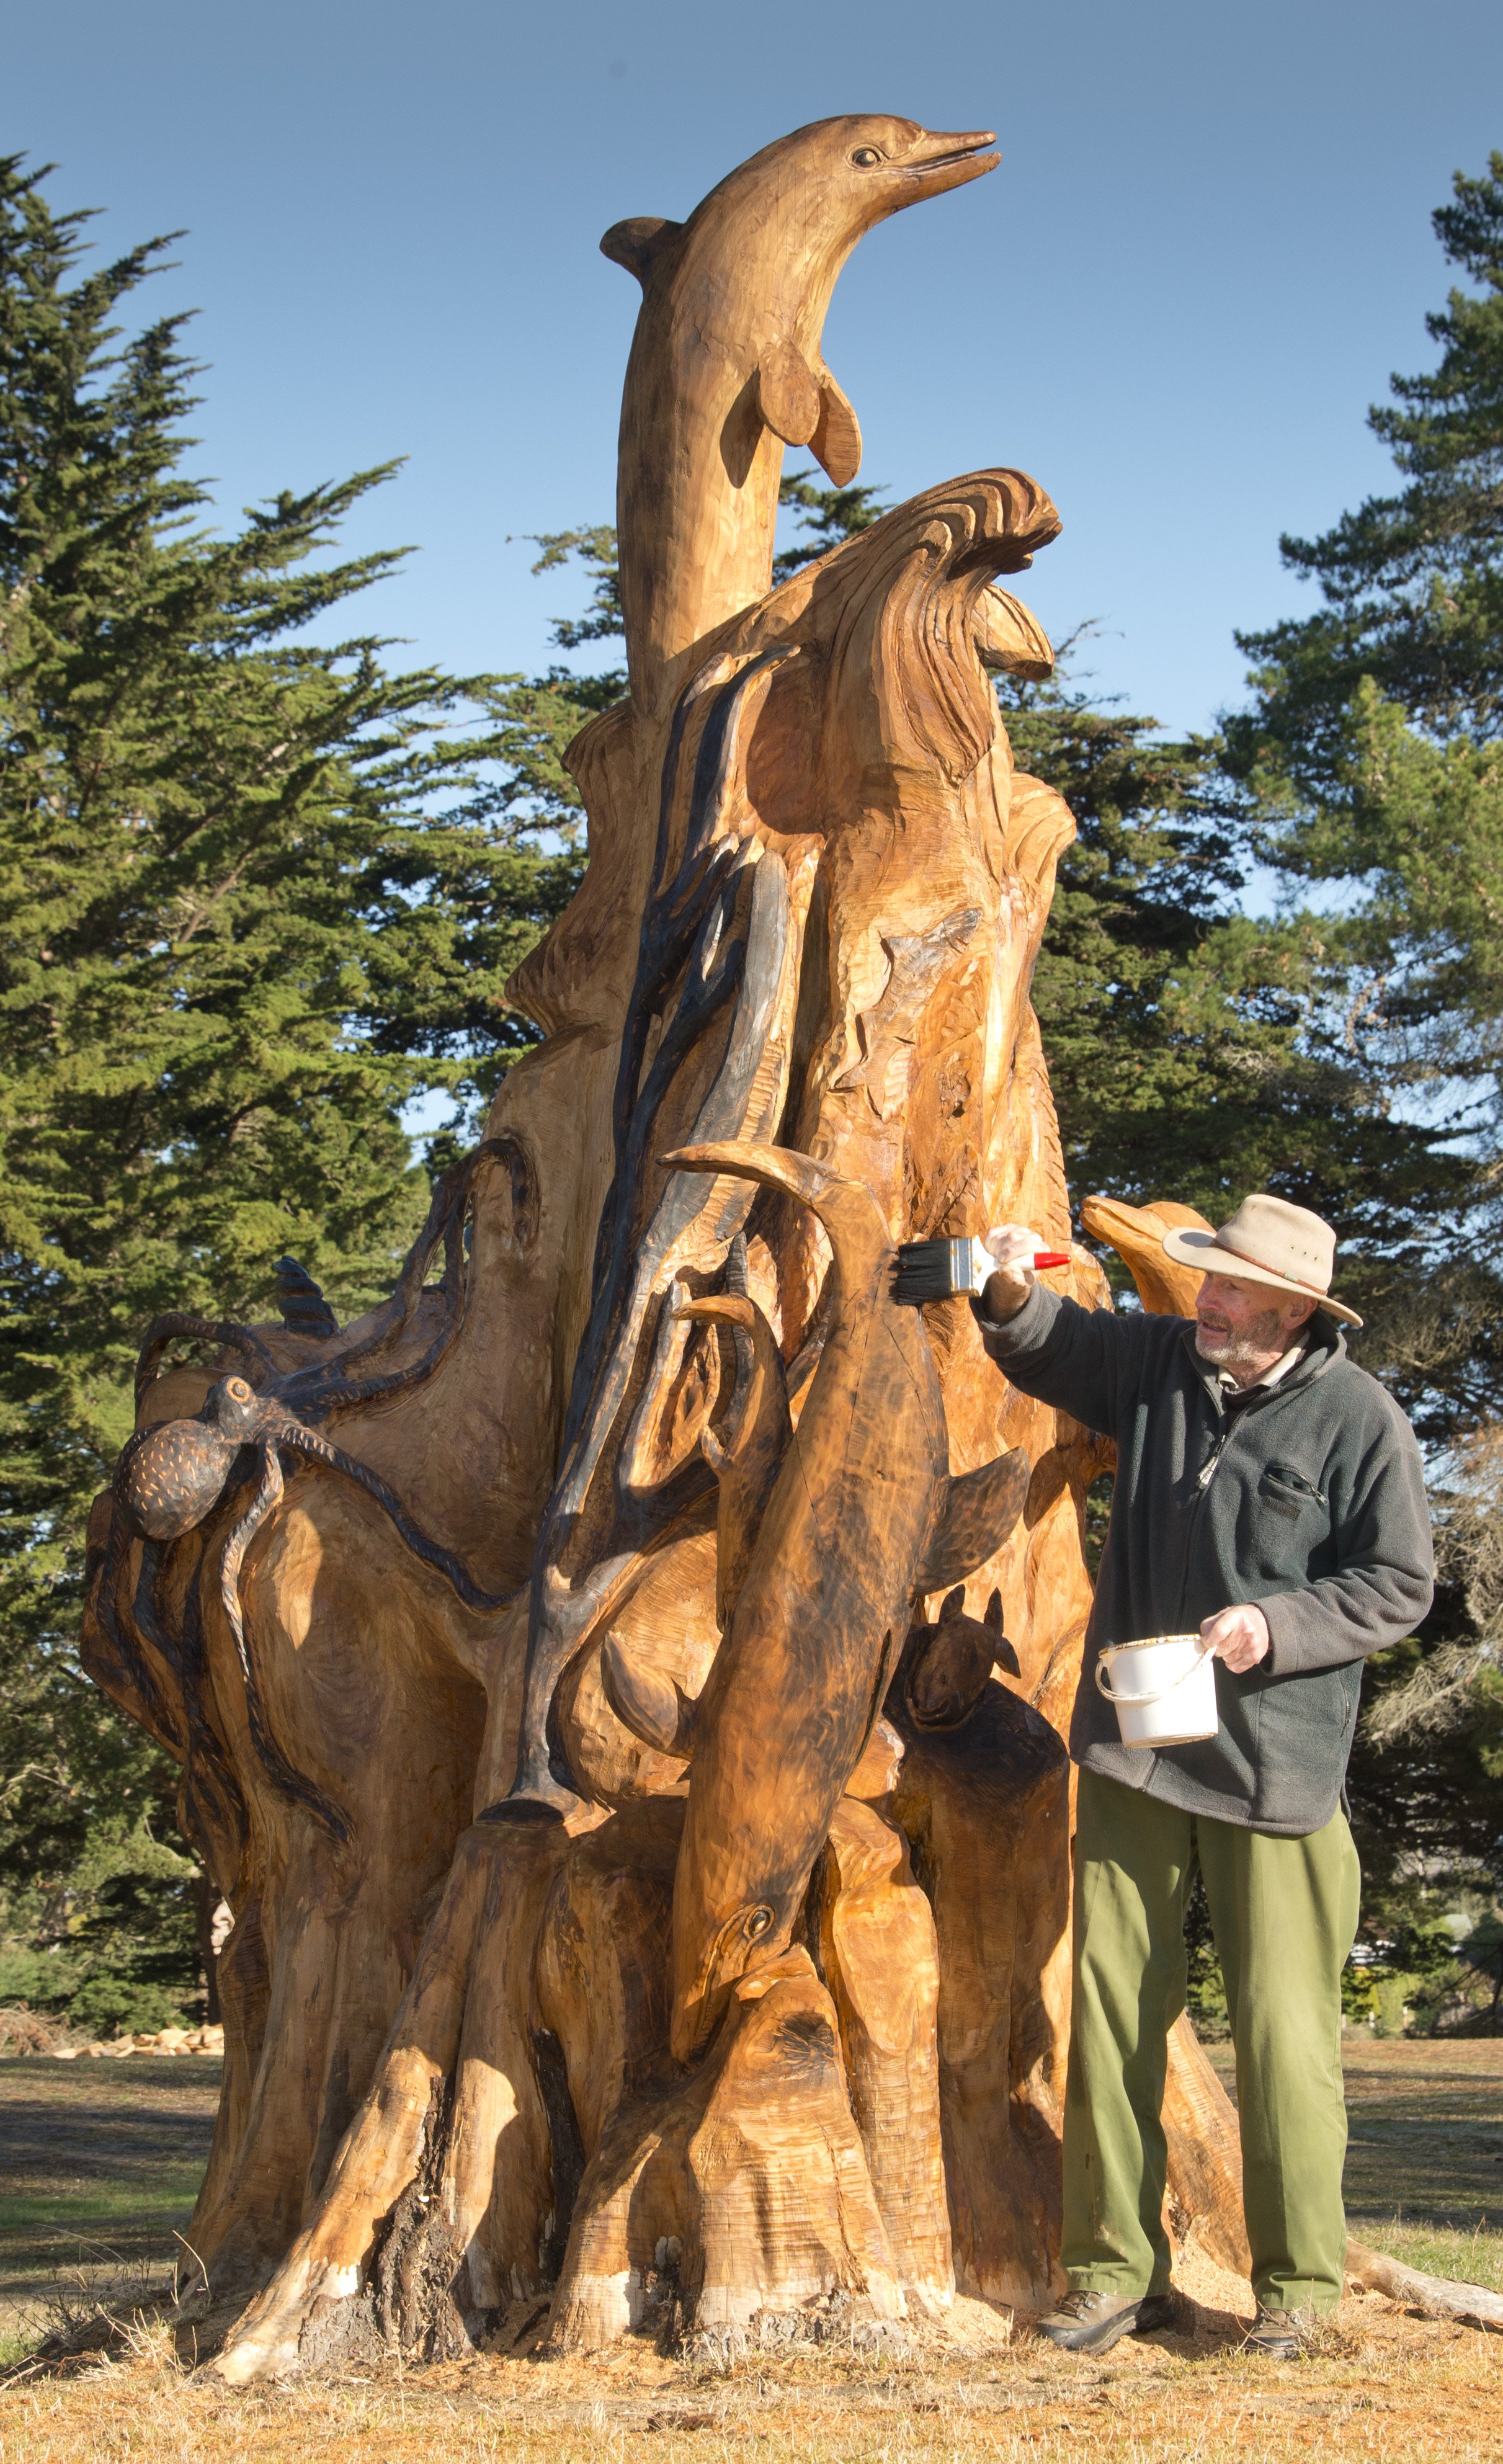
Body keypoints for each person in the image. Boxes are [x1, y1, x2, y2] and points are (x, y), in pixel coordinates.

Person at [973, 1194, 1432, 2359]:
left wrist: (1274, 1627)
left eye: (1228, 1289)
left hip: (1280, 1774)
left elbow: (1398, 1585)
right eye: (1209, 1281)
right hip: (1135, 1746)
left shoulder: (1360, 1419)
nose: (1205, 1300)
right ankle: (1114, 2274)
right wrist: (1008, 1290)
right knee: (1112, 2012)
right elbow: (1059, 1345)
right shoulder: (1162, 1362)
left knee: (1284, 2038)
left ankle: (1299, 2296)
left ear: (1289, 1310)